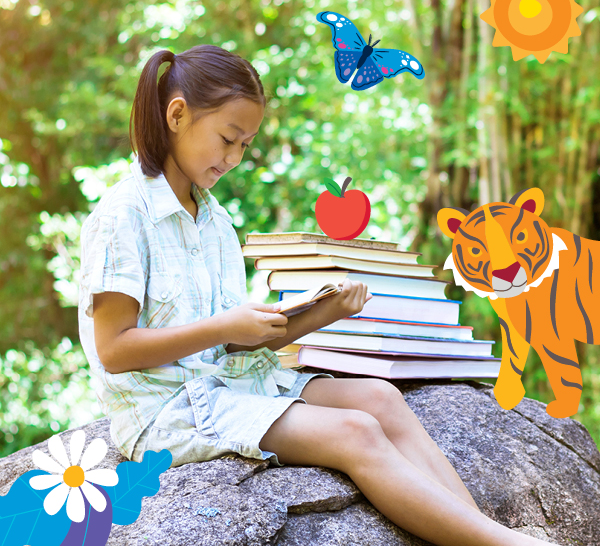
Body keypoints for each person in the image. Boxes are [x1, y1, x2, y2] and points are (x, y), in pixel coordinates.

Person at [78, 45, 557, 546]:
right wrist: (224, 326)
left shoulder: (214, 219)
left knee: (379, 398)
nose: (235, 157)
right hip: (170, 411)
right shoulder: (122, 216)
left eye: (246, 144)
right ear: (177, 115)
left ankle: (477, 531)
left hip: (231, 383)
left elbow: (235, 345)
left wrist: (324, 311)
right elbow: (114, 350)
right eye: (228, 138)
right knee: (355, 432)